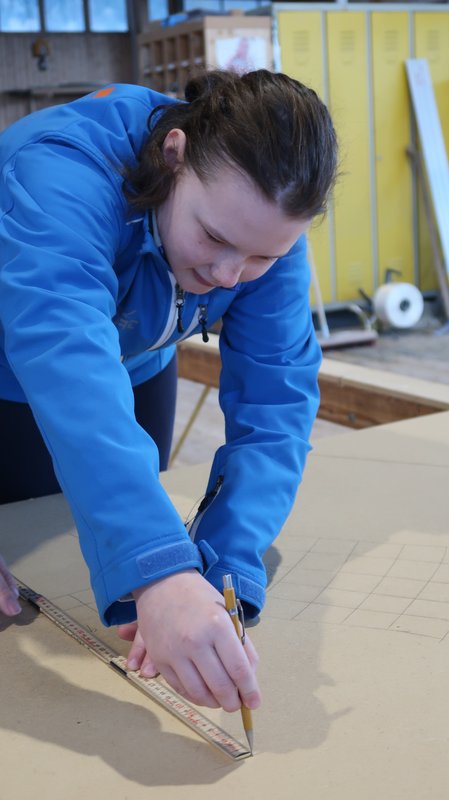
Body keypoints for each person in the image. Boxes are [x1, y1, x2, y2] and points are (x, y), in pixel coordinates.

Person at [0, 70, 337, 713]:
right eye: (213, 238)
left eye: (261, 258)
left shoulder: (264, 220)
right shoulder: (59, 174)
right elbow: (66, 359)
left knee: (134, 532)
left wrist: (221, 569)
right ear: (173, 155)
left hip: (133, 356)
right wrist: (158, 567)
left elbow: (277, 400)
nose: (229, 275)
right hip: (20, 362)